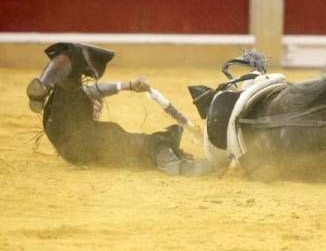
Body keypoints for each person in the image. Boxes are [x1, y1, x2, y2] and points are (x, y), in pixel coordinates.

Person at [26, 42, 210, 176]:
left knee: (71, 59)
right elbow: (92, 90)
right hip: (74, 141)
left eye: (98, 107)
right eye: (95, 105)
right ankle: (176, 166)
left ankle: (44, 83)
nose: (97, 110)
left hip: (74, 144)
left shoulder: (96, 133)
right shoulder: (90, 121)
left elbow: (90, 91)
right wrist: (127, 85)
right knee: (156, 143)